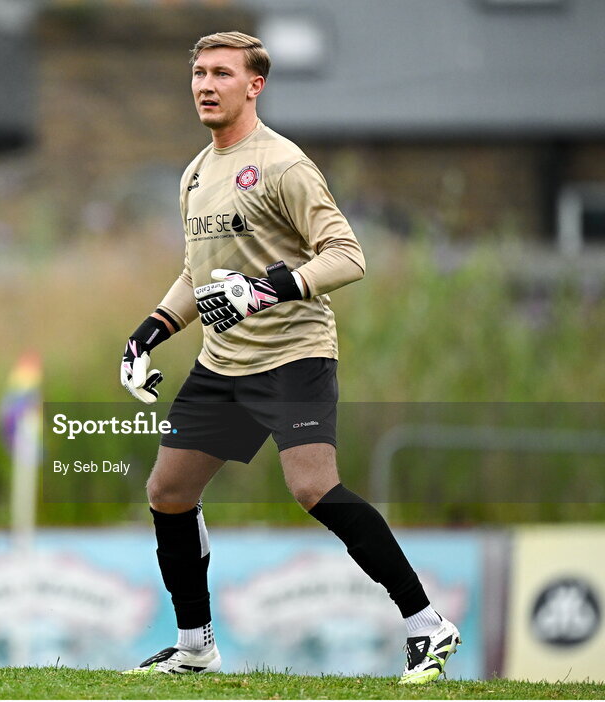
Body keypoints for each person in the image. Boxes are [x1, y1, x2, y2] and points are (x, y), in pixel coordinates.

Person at [118, 31, 460, 685]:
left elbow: (347, 256)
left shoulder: (283, 165)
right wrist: (149, 333)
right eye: (198, 73)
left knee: (312, 488)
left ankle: (427, 626)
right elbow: (197, 275)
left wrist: (267, 289)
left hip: (292, 355)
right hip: (223, 364)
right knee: (168, 493)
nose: (205, 84)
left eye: (221, 73)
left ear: (255, 85)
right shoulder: (194, 173)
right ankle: (196, 648)